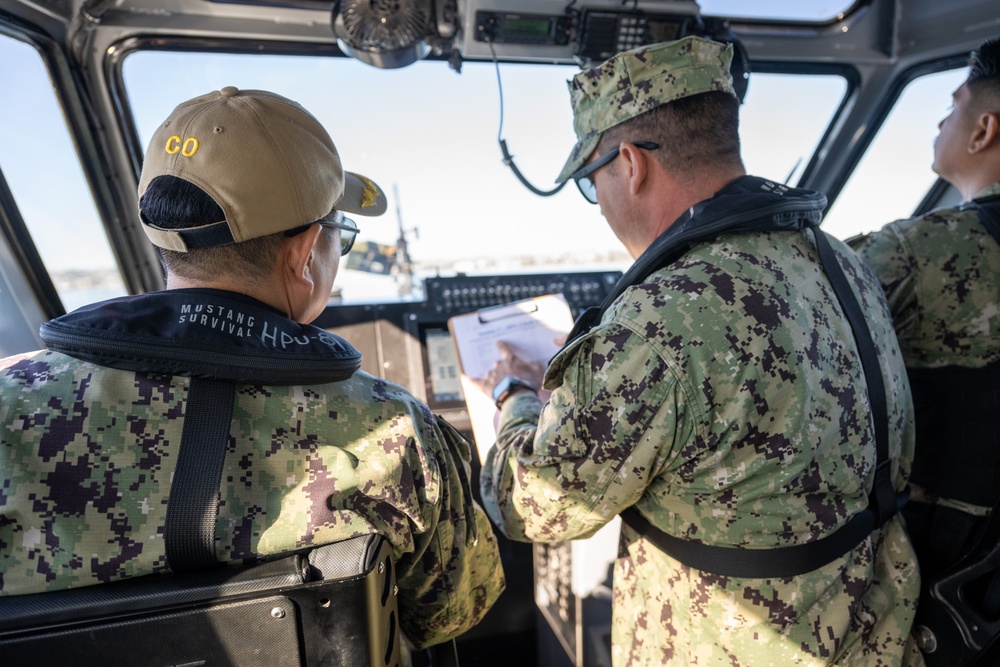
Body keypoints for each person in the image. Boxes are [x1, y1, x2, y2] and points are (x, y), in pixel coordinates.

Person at [0, 86, 504, 650]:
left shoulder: (8, 404)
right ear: (303, 253)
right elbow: (454, 611)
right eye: (341, 235)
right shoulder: (398, 432)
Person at [479, 37, 922, 665]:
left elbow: (529, 504)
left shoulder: (661, 320)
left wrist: (514, 397)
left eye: (591, 181)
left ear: (630, 164)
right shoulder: (839, 260)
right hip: (873, 629)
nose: (599, 201)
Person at [849, 37, 1000, 592]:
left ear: (984, 129)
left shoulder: (918, 251)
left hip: (956, 577)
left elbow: (785, 316)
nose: (940, 122)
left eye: (952, 107)